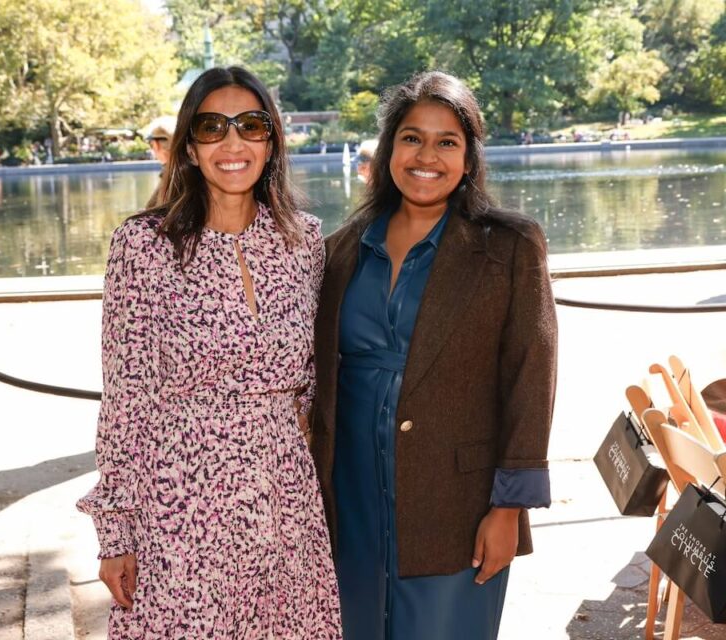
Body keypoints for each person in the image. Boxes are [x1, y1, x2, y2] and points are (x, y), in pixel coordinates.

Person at [77, 66, 342, 639]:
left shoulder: (304, 241)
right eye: (212, 127)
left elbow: (313, 374)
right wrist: (116, 532)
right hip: (181, 498)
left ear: (271, 141)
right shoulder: (144, 245)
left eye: (250, 125)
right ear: (190, 148)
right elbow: (126, 398)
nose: (232, 142)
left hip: (283, 495)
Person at [310, 71, 558, 640]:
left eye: (447, 141)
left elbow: (531, 379)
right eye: (412, 138)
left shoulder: (509, 247)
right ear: (388, 150)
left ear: (469, 158)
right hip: (350, 504)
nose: (427, 156)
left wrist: (509, 509)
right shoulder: (338, 251)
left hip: (459, 507)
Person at [143, 116, 176, 209]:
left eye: (150, 144)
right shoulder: (193, 169)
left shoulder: (171, 174)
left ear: (156, 145)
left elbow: (153, 210)